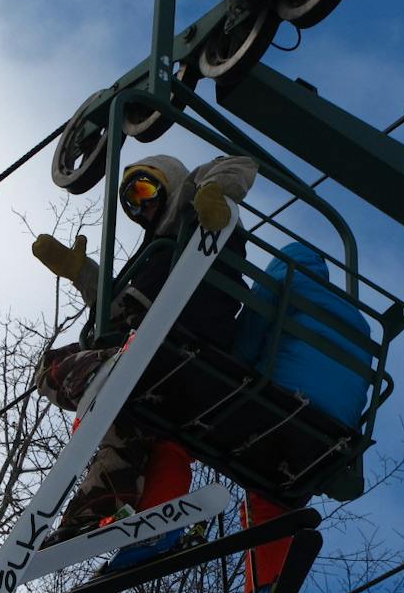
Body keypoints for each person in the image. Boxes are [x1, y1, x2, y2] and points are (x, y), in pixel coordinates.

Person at [31, 153, 258, 551]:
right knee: (125, 431)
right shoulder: (151, 256)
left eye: (143, 190)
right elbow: (117, 306)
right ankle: (96, 513)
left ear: (167, 182)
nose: (142, 205)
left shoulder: (195, 211)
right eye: (132, 202)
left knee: (69, 369)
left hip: (187, 338)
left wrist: (215, 194)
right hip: (154, 357)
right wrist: (82, 273)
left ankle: (104, 384)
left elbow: (240, 163)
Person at [232, 241, 373, 593]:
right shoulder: (361, 323)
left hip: (281, 405)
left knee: (257, 487)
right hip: (326, 434)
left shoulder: (284, 278)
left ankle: (149, 509)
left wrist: (238, 367)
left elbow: (252, 333)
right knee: (277, 493)